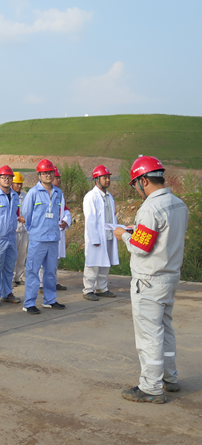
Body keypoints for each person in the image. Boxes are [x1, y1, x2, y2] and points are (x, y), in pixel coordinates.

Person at [114, 157, 188, 404]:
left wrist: (124, 235)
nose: (136, 189)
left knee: (149, 336)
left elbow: (141, 247)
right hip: (170, 277)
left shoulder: (150, 208)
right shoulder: (178, 204)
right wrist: (136, 231)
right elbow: (162, 237)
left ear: (143, 180)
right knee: (165, 330)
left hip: (149, 281)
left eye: (135, 184)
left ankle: (151, 387)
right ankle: (169, 377)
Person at [22, 159, 66, 314]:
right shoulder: (33, 193)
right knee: (33, 271)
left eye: (50, 172)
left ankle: (50, 300)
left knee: (50, 272)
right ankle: (29, 303)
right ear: (39, 175)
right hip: (38, 239)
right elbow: (26, 213)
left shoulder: (58, 193)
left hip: (53, 238)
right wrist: (33, 231)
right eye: (45, 173)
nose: (48, 175)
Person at [82, 165, 119, 301]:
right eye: (105, 178)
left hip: (108, 235)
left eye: (108, 177)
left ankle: (102, 288)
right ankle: (88, 290)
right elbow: (90, 219)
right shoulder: (91, 196)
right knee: (93, 264)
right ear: (96, 179)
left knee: (105, 264)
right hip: (96, 237)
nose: (108, 180)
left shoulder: (109, 197)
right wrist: (95, 239)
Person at [0, 165, 21, 306]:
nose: (7, 180)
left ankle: (7, 293)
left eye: (9, 177)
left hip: (11, 237)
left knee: (9, 267)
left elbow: (16, 214)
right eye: (4, 177)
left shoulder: (15, 196)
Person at [39, 167, 71, 291]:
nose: (59, 180)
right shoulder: (42, 193)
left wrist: (66, 220)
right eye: (57, 178)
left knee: (55, 259)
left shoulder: (59, 193)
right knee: (44, 258)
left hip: (58, 231)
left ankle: (53, 281)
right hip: (46, 231)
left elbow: (65, 209)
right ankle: (42, 283)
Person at [12, 172, 28, 286]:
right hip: (13, 230)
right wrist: (18, 218)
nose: (19, 186)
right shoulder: (9, 195)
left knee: (22, 255)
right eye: (17, 183)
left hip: (24, 230)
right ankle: (11, 278)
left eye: (20, 184)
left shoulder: (25, 196)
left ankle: (19, 277)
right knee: (12, 256)